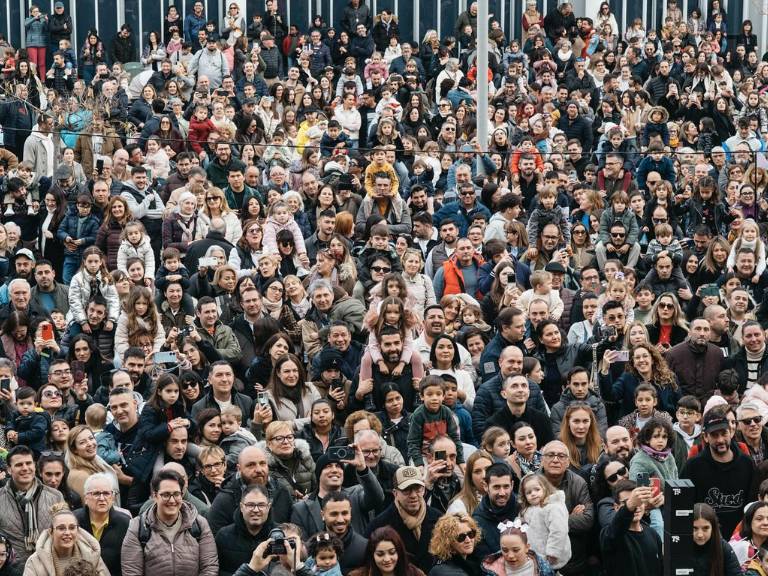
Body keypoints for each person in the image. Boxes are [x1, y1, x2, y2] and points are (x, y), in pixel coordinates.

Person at [121, 469, 218, 576]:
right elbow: (131, 571)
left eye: (176, 494)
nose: (172, 500)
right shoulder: (138, 527)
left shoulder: (199, 524)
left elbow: (209, 567)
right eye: (166, 495)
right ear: (154, 496)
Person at [680, 407, 757, 537]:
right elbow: (681, 505)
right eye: (714, 435)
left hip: (739, 539)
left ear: (731, 432)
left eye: (724, 433)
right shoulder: (693, 466)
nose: (720, 440)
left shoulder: (747, 464)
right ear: (705, 437)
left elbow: (751, 506)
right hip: (704, 539)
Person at [365, 466, 441, 572]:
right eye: (406, 490)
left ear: (424, 489)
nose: (414, 495)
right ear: (395, 493)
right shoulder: (379, 526)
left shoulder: (439, 519)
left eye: (418, 489)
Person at [0, 446, 63, 562]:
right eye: (19, 465)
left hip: (47, 564)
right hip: (12, 568)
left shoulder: (55, 496)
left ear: (34, 465)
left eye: (28, 463)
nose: (25, 468)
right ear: (9, 469)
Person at [23, 502, 109, 576]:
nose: (67, 533)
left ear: (78, 531)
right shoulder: (35, 561)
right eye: (61, 528)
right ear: (51, 532)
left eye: (72, 528)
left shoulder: (92, 555)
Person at [599, 480, 663, 576]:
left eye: (639, 501)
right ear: (616, 507)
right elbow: (615, 530)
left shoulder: (652, 533)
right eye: (627, 502)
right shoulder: (609, 534)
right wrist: (630, 505)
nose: (636, 507)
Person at [74, 473, 130, 576]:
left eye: (106, 493)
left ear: (113, 498)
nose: (102, 498)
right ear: (86, 498)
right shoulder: (73, 521)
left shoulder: (125, 523)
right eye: (96, 494)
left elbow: (130, 561)